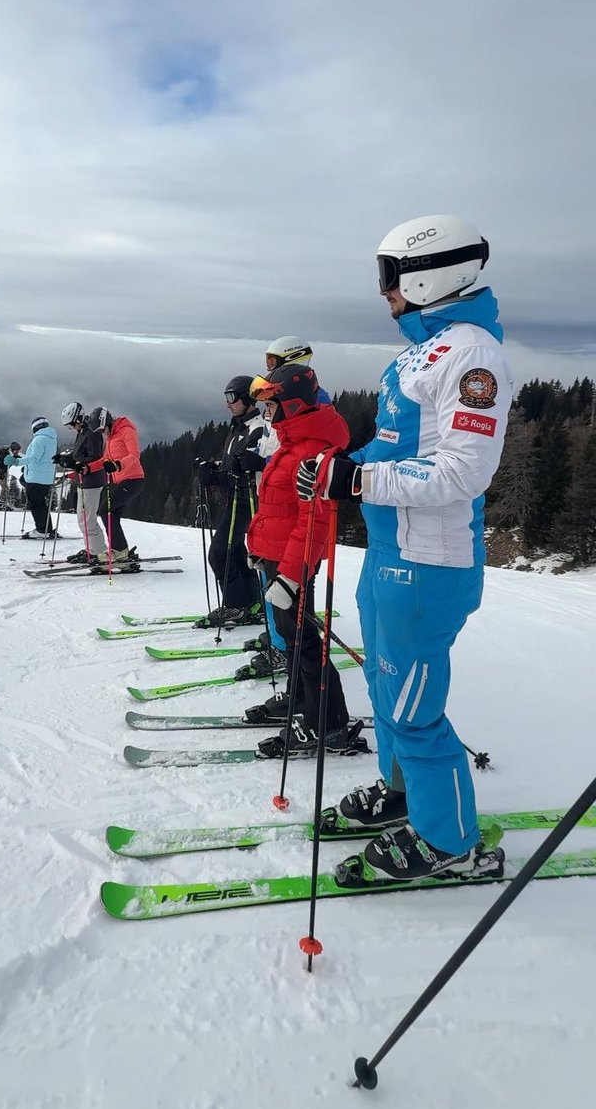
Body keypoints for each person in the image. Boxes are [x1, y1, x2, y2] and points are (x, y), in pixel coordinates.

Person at [297, 214, 513, 881]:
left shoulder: (472, 355)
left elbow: (461, 472)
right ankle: (403, 796)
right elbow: (395, 449)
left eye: (390, 276)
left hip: (430, 565)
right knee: (389, 697)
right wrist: (341, 465)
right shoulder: (421, 352)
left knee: (415, 712)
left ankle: (450, 843)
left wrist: (356, 478)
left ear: (429, 276)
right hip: (391, 557)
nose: (384, 291)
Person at [242, 364, 355, 757]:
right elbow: (278, 508)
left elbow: (314, 522)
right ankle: (305, 706)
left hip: (295, 563)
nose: (266, 413)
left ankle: (328, 724)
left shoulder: (311, 450)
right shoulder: (293, 441)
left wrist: (289, 577)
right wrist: (261, 549)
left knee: (305, 642)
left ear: (290, 404)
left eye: (270, 405)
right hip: (280, 559)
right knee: (294, 640)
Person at [194, 376, 266, 628]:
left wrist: (221, 474)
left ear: (247, 398)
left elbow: (249, 466)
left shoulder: (259, 428)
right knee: (235, 552)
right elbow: (232, 464)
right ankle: (252, 603)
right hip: (233, 499)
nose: (228, 403)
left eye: (231, 397)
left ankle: (235, 606)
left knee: (219, 553)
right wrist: (212, 470)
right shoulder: (239, 427)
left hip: (246, 501)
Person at [85, 407, 144, 567]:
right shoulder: (111, 436)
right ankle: (120, 551)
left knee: (105, 510)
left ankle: (119, 551)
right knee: (112, 515)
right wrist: (87, 468)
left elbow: (134, 455)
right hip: (120, 481)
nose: (102, 432)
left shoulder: (126, 430)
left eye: (102, 428)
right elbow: (105, 460)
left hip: (133, 479)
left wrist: (117, 465)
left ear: (107, 422)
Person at [55, 401, 107, 566]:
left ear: (77, 419)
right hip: (85, 481)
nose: (72, 428)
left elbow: (95, 457)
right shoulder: (84, 431)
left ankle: (100, 554)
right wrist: (66, 459)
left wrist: (73, 463)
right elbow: (80, 455)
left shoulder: (92, 433)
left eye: (71, 425)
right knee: (82, 519)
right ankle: (91, 550)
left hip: (92, 480)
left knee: (88, 520)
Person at [3, 417, 59, 539]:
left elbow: (34, 458)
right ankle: (47, 529)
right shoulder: (51, 439)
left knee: (36, 504)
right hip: (46, 477)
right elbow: (43, 459)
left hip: (36, 478)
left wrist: (16, 461)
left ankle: (42, 530)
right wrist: (27, 468)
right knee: (40, 503)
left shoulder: (39, 439)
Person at [0, 443, 21, 510]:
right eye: (16, 450)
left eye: (18, 450)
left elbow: (13, 459)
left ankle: (2, 503)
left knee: (5, 488)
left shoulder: (10, 453)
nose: (17, 452)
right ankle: (1, 504)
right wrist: (1, 473)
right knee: (5, 487)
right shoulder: (5, 453)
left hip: (3, 471)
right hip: (0, 471)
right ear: (12, 449)